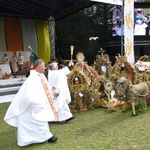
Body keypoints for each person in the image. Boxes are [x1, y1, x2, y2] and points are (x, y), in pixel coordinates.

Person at [4, 59, 58, 147]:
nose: (45, 67)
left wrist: (51, 88)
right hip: (32, 104)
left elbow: (45, 86)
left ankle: (46, 137)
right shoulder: (33, 77)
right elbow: (29, 91)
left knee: (39, 121)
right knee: (36, 121)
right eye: (44, 66)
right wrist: (36, 101)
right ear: (39, 67)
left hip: (38, 103)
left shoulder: (41, 75)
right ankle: (36, 139)